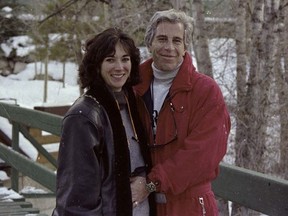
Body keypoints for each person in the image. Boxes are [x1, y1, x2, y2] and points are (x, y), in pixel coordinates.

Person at [132, 9, 231, 216]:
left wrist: (151, 183)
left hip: (190, 205)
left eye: (177, 40)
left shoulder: (205, 91)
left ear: (186, 47)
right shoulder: (133, 87)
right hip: (145, 206)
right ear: (150, 43)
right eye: (162, 39)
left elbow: (202, 156)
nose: (169, 47)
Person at [52, 28, 155, 216]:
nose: (119, 67)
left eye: (125, 59)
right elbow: (76, 200)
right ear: (96, 65)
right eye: (110, 59)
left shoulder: (131, 104)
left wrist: (144, 181)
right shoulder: (83, 117)